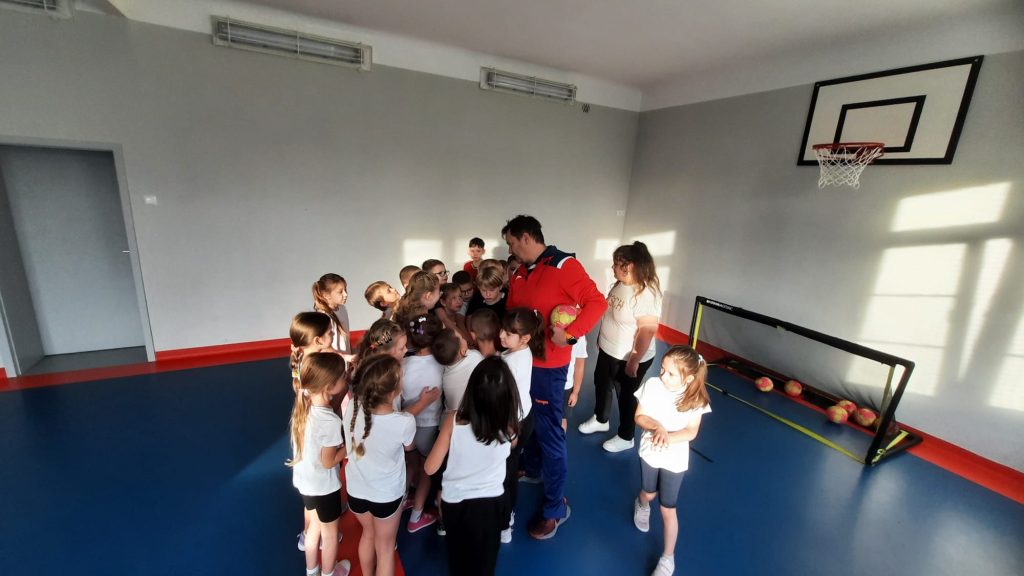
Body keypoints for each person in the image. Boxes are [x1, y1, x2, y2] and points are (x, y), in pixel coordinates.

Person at [503, 214, 607, 540]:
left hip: (549, 368)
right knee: (529, 420)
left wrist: (572, 334)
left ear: (525, 237)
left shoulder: (565, 266)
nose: (510, 249)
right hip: (521, 362)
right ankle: (533, 469)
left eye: (511, 242)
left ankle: (555, 509)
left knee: (551, 435)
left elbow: (597, 303)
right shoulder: (521, 272)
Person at [425, 357, 521, 576]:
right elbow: (510, 446)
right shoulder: (510, 429)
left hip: (455, 503)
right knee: (486, 561)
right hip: (491, 504)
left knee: (458, 557)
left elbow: (430, 468)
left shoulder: (453, 420)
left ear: (472, 389)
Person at [632, 345, 711, 576]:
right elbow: (639, 416)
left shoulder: (696, 398)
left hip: (674, 459)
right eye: (662, 370)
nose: (663, 376)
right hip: (650, 452)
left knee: (668, 508)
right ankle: (641, 504)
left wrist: (668, 437)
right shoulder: (652, 385)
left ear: (688, 378)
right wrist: (657, 427)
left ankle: (667, 558)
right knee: (649, 493)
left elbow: (691, 431)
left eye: (670, 374)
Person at [579, 241, 663, 452]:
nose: (613, 267)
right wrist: (601, 337)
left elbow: (646, 331)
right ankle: (601, 419)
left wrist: (634, 359)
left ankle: (626, 436)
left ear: (630, 266)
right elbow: (609, 313)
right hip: (609, 349)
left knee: (625, 396)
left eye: (617, 263)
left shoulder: (645, 293)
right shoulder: (620, 285)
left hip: (628, 356)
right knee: (601, 383)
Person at [343, 355, 415, 576]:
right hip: (386, 495)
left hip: (356, 490)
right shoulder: (405, 422)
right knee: (385, 550)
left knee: (368, 535)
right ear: (393, 392)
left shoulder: (353, 405)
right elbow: (409, 449)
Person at [287, 352, 352, 576]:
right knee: (330, 534)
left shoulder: (302, 407)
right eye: (342, 376)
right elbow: (329, 461)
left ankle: (312, 569)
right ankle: (329, 572)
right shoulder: (330, 421)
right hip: (324, 487)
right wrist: (351, 445)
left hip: (306, 483)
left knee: (312, 528)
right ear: (329, 387)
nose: (345, 378)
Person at [498, 307, 545, 543]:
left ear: (525, 338)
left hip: (513, 423)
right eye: (502, 330)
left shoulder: (510, 363)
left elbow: (508, 400)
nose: (501, 335)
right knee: (511, 466)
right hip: (524, 417)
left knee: (506, 474)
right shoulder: (522, 351)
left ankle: (506, 523)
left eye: (508, 334)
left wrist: (510, 431)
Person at [399, 314, 445, 533]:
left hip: (406, 423)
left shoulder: (403, 363)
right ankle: (416, 516)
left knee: (410, 464)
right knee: (427, 471)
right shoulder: (441, 364)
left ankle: (400, 503)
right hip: (429, 425)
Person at [432, 328, 483, 414]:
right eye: (462, 338)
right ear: (462, 351)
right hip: (477, 412)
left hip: (454, 417)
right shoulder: (475, 356)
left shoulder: (445, 378)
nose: (464, 338)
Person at [312, 274, 351, 353]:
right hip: (333, 359)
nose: (345, 294)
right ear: (326, 295)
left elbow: (346, 339)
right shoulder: (323, 316)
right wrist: (345, 357)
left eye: (345, 290)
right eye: (340, 292)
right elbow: (324, 348)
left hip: (345, 359)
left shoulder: (343, 309)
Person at [562, 334, 588, 431]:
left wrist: (575, 392)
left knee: (562, 418)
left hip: (565, 386)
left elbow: (579, 366)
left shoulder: (579, 337)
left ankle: (559, 439)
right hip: (544, 383)